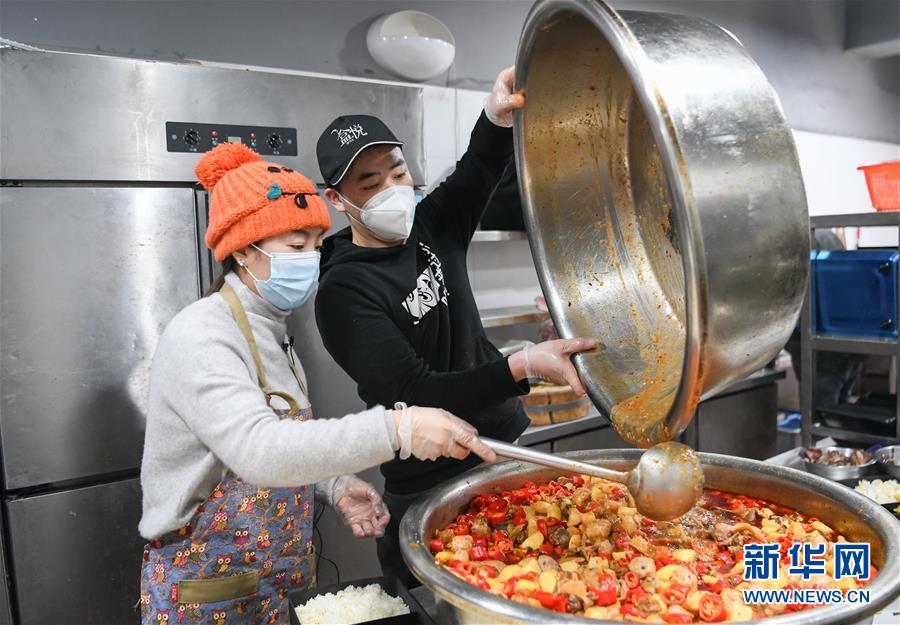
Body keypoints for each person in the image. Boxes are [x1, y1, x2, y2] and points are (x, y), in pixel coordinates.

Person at [138, 142, 496, 625]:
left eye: (315, 243)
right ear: (242, 249)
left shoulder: (270, 329)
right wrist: (400, 428)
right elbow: (257, 450)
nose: (310, 258)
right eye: (295, 246)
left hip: (276, 579)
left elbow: (277, 440)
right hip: (209, 594)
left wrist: (331, 485)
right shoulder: (203, 334)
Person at [314, 66, 597, 585]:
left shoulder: (431, 225)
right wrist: (522, 365)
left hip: (503, 451)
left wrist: (496, 115)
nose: (393, 190)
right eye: (371, 184)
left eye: (398, 173)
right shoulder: (343, 292)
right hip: (429, 480)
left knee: (532, 589)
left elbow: (479, 168)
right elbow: (418, 391)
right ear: (337, 199)